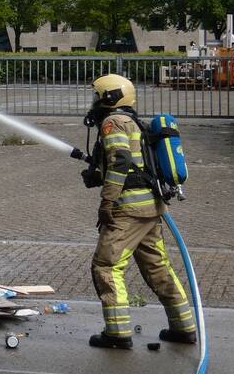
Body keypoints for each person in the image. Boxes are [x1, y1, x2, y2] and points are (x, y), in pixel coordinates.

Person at [83, 74, 197, 349]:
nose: (94, 102)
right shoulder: (133, 122)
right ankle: (184, 327)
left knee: (107, 266)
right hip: (150, 207)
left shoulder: (113, 122)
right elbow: (134, 165)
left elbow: (121, 163)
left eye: (98, 96)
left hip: (128, 209)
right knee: (158, 268)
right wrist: (99, 175)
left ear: (110, 97)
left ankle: (118, 333)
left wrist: (107, 202)